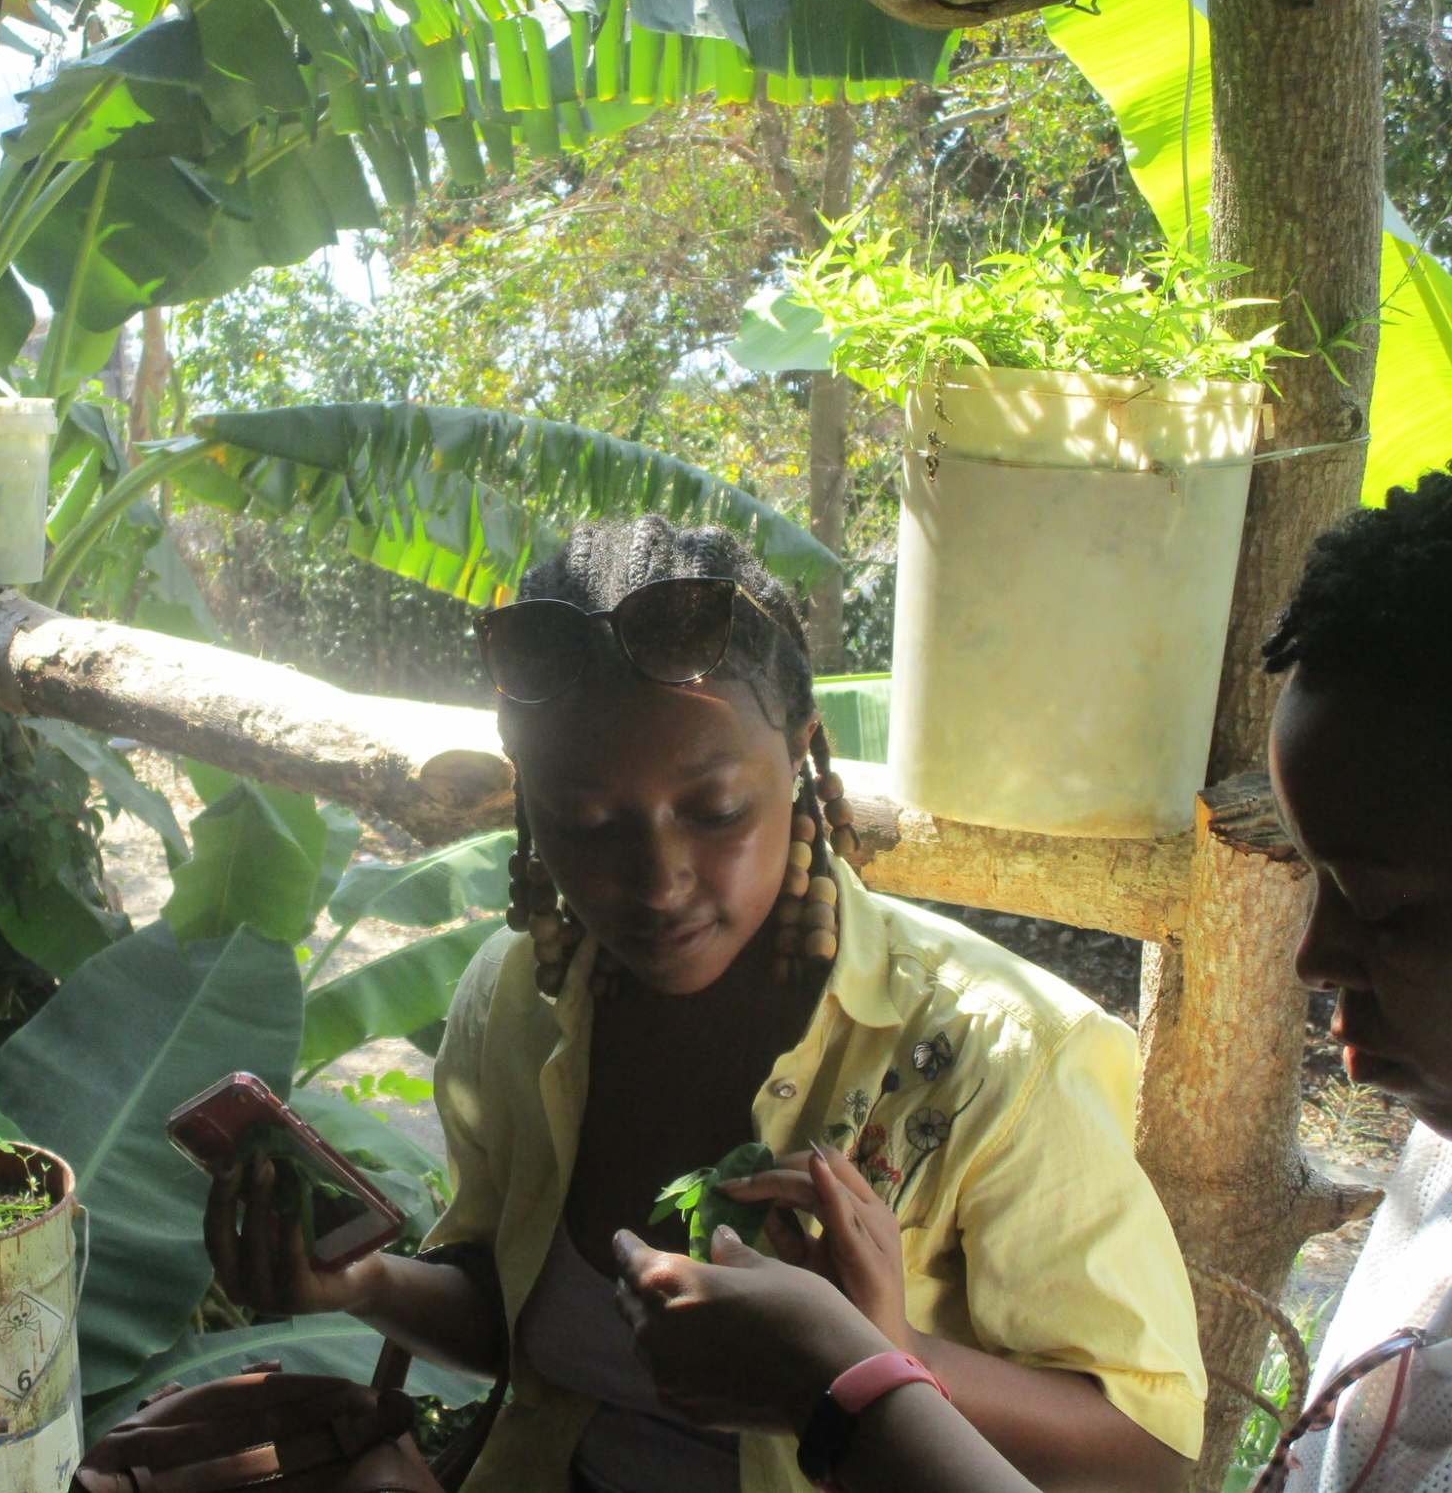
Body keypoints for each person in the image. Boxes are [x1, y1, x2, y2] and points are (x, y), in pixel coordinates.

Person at [205, 517, 1207, 1493]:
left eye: (715, 811)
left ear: (801, 762)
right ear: (525, 809)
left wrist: (874, 1358)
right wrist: (359, 1285)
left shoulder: (998, 1054)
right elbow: (520, 1322)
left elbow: (1144, 1453)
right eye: (584, 824)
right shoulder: (523, 1003)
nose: (655, 880)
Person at [613, 472, 1452, 1493]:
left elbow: (1141, 1459)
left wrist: (855, 1381)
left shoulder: (1003, 1053)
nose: (1311, 957)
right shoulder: (1435, 1168)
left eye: (1385, 910)